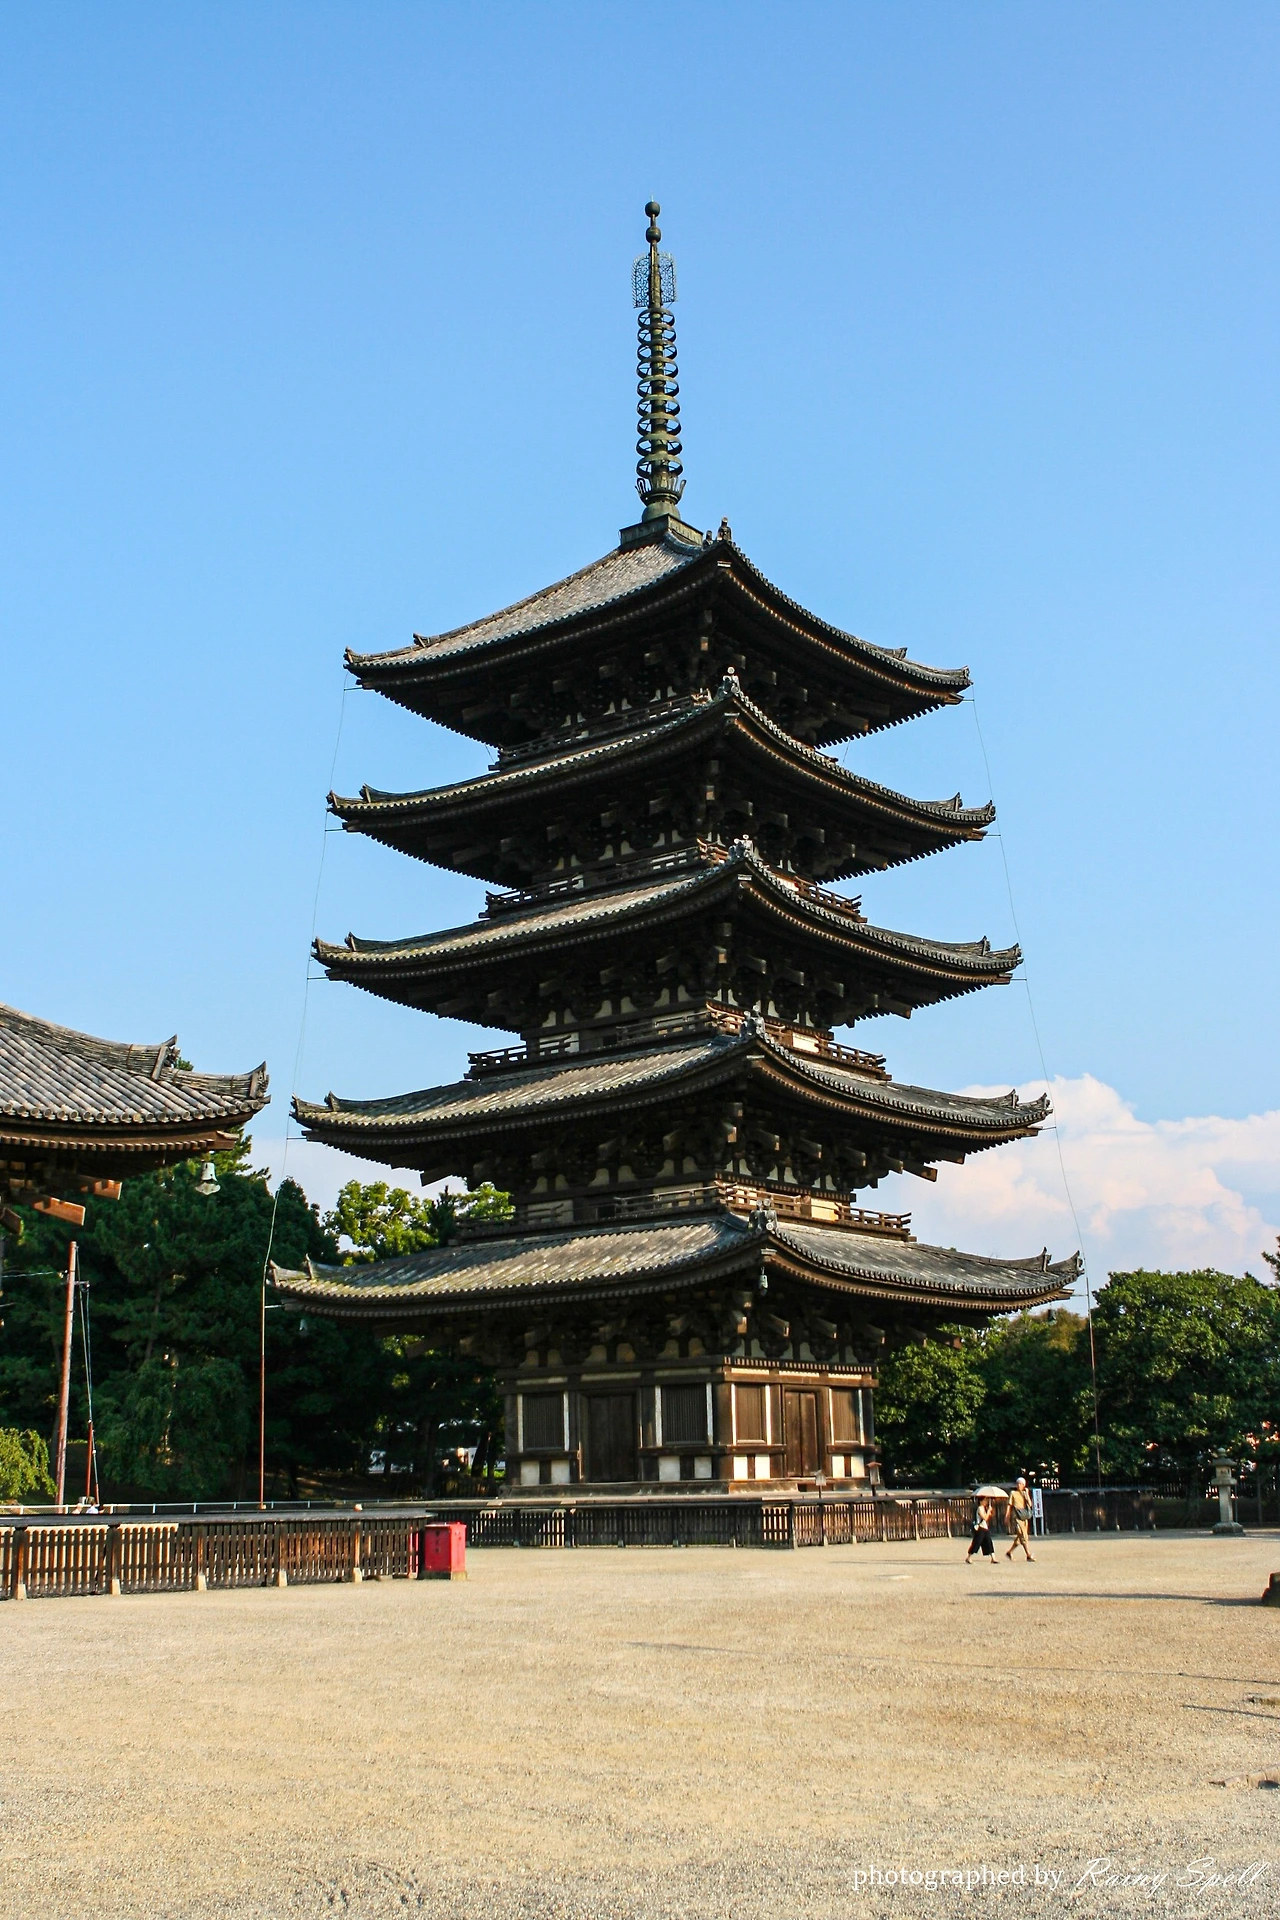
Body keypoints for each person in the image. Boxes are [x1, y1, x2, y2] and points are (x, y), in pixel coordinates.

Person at [1004, 1477, 1036, 1561]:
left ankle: (1009, 1552)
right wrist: (1007, 1516)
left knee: (1020, 1538)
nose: (1019, 1485)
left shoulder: (1024, 1493)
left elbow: (1030, 1504)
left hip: (1024, 1517)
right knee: (1023, 1535)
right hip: (1017, 1517)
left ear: (1024, 1485)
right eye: (1018, 1483)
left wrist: (1027, 1494)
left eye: (1021, 1484)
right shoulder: (1013, 1493)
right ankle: (1028, 1555)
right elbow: (1009, 1505)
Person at [966, 1496, 996, 1563]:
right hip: (980, 1528)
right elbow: (985, 1518)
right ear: (980, 1501)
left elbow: (988, 1517)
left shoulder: (984, 1508)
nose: (986, 1502)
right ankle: (969, 1557)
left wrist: (990, 1511)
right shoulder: (979, 1508)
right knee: (976, 1543)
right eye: (984, 1500)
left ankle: (993, 1558)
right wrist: (988, 1511)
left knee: (989, 1542)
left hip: (985, 1527)